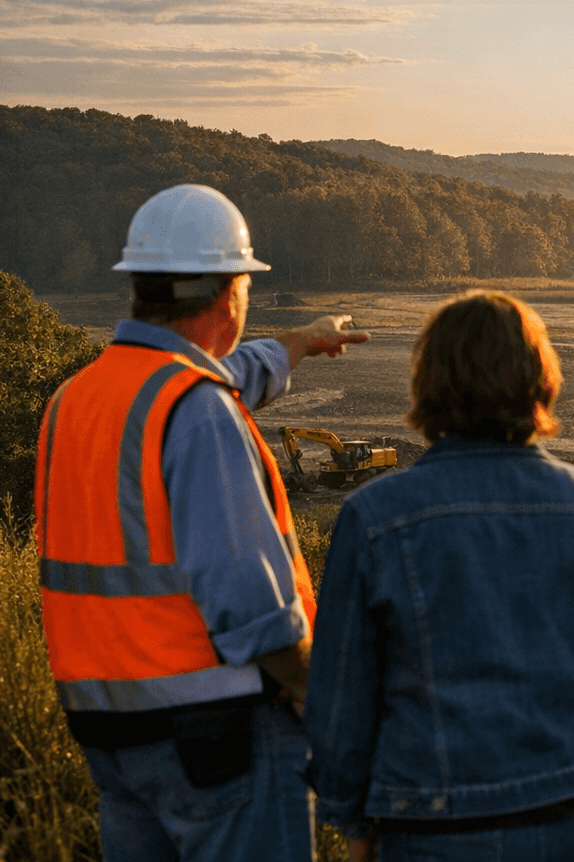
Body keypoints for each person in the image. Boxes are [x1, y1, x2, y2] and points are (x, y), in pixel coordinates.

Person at [35, 183, 370, 861]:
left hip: (112, 735)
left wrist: (298, 345)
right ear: (231, 292)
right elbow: (251, 605)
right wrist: (316, 693)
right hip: (219, 737)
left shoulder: (78, 398)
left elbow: (214, 378)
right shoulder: (196, 411)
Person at [304, 291, 574, 862]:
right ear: (541, 379)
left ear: (427, 383)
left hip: (436, 827)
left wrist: (352, 823)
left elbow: (340, 706)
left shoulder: (375, 518)